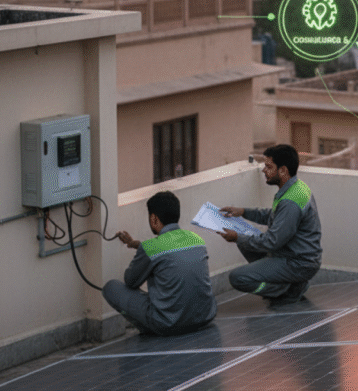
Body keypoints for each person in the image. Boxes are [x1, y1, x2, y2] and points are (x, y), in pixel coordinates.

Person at [219, 144, 322, 305]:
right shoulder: (295, 188)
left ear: (283, 171)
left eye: (268, 167)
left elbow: (272, 242)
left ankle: (287, 290)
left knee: (238, 278)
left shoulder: (290, 202)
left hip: (298, 263)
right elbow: (272, 216)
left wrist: (237, 237)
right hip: (293, 255)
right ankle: (291, 282)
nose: (263, 171)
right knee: (245, 242)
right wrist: (243, 212)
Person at [103, 191, 217, 336]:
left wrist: (142, 253)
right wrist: (137, 245)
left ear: (153, 219)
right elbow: (169, 250)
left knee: (111, 287)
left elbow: (131, 281)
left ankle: (149, 329)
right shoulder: (196, 239)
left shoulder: (150, 248)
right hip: (204, 317)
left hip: (169, 323)